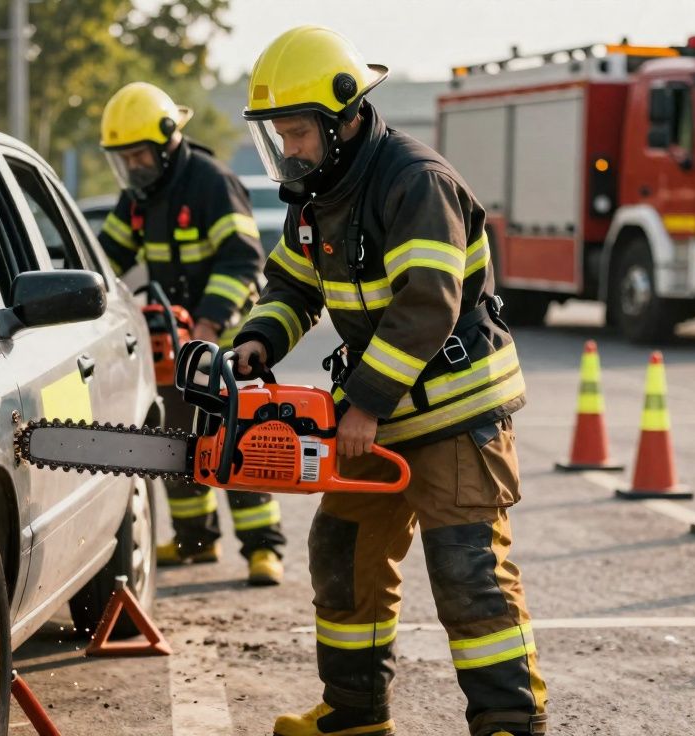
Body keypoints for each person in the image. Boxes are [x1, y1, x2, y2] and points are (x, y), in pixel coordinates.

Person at [229, 26, 549, 736]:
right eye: (280, 136)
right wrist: (256, 340)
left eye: (299, 133)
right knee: (341, 551)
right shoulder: (316, 196)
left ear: (344, 117)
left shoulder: (415, 182)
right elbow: (293, 285)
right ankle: (354, 717)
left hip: (455, 416)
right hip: (376, 413)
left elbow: (425, 305)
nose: (290, 150)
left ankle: (508, 725)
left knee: (468, 576)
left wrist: (367, 402)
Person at [97, 82, 286, 586]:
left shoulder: (211, 182)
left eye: (138, 155)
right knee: (177, 442)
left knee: (239, 441)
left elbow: (243, 258)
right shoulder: (140, 195)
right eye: (123, 158)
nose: (132, 167)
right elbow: (104, 258)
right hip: (178, 343)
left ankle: (263, 549)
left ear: (165, 144)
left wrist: (206, 326)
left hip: (229, 338)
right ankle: (196, 541)